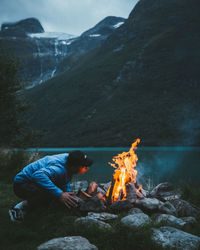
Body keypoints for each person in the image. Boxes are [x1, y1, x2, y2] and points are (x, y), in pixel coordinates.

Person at [9, 150, 93, 222]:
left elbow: (65, 179)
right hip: (22, 185)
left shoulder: (69, 160)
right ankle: (18, 208)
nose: (87, 168)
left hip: (32, 181)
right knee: (52, 194)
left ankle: (35, 209)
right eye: (84, 167)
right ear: (73, 167)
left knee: (57, 193)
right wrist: (60, 194)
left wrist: (67, 192)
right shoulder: (58, 169)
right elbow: (38, 175)